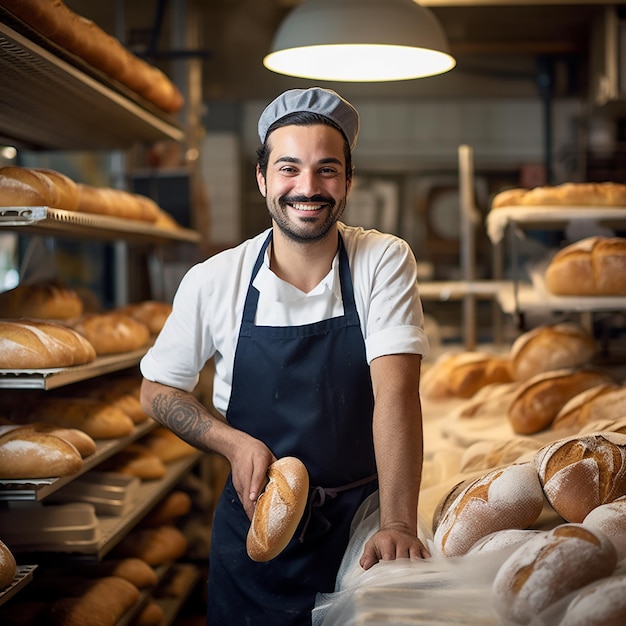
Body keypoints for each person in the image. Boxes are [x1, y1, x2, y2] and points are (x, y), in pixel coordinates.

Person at [139, 87, 431, 625]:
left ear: (347, 180)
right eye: (289, 168)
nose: (308, 187)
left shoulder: (381, 260)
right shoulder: (213, 279)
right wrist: (231, 442)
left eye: (327, 169)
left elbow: (395, 394)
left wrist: (398, 523)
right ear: (263, 178)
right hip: (256, 531)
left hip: (361, 531)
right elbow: (156, 390)